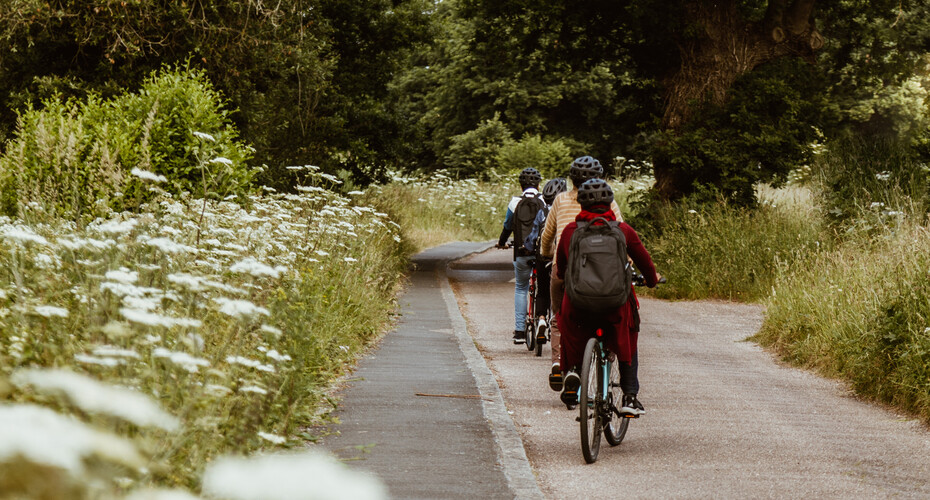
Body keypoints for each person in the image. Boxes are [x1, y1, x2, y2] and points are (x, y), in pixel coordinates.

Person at [555, 178, 659, 415]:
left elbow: (561, 270)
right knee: (629, 330)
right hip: (614, 306)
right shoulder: (623, 231)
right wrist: (652, 281)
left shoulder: (571, 231)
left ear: (581, 204)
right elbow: (645, 262)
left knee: (567, 321)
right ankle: (630, 396)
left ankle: (573, 371)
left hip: (580, 306)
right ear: (610, 203)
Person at [539, 157, 624, 390]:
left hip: (564, 266)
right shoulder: (608, 202)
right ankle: (609, 353)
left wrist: (547, 254)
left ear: (572, 178)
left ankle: (558, 363)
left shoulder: (560, 200)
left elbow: (548, 235)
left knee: (559, 317)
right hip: (602, 268)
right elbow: (621, 232)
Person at [496, 167, 544, 344]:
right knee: (544, 288)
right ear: (538, 185)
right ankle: (542, 319)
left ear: (521, 185)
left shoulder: (515, 202)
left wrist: (502, 242)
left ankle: (519, 332)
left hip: (521, 252)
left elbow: (507, 226)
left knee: (521, 287)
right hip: (540, 253)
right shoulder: (544, 201)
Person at [523, 178, 567, 343]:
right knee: (562, 293)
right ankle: (559, 323)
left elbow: (533, 237)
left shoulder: (542, 212)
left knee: (542, 291)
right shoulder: (566, 211)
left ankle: (541, 318)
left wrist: (526, 246)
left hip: (543, 257)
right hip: (561, 258)